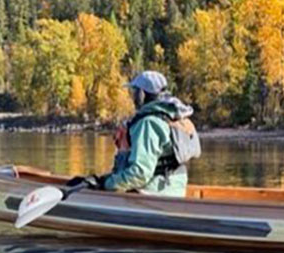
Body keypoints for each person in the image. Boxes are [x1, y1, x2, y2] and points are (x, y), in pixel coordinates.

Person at [68, 71, 200, 197]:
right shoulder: (176, 118)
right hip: (176, 190)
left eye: (135, 92)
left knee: (114, 186)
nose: (133, 97)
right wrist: (124, 148)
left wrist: (105, 183)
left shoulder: (148, 124)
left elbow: (140, 174)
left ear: (142, 95)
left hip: (153, 194)